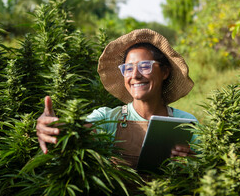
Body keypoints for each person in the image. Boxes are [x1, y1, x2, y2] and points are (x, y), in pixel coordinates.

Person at [36, 28, 197, 169]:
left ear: (165, 72)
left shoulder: (186, 123)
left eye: (145, 66)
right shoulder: (108, 119)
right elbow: (79, 129)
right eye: (128, 68)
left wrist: (194, 161)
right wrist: (54, 126)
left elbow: (209, 168)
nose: (135, 75)